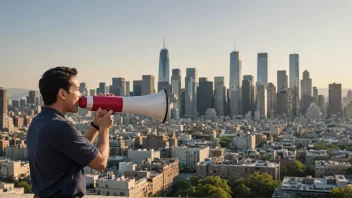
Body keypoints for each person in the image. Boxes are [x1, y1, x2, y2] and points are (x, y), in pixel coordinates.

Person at [27, 66, 113, 197]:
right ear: (62, 94)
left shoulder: (38, 121)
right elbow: (100, 163)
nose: (80, 95)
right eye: (77, 90)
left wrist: (96, 124)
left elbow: (76, 151)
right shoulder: (62, 126)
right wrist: (104, 129)